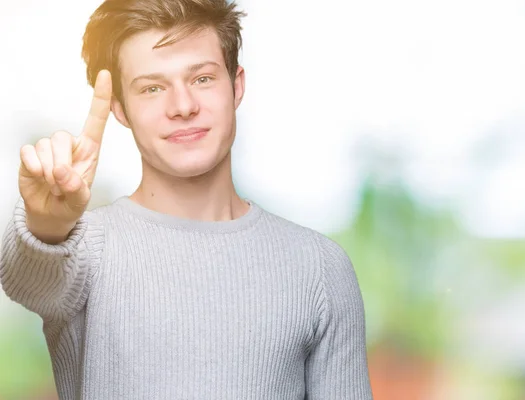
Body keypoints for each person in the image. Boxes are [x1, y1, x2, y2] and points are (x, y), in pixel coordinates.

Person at [0, 0, 373, 399]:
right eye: (152, 88)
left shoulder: (318, 269)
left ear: (237, 85)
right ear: (120, 109)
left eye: (202, 79)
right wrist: (48, 222)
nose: (183, 106)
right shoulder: (86, 251)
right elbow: (25, 278)